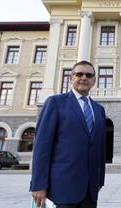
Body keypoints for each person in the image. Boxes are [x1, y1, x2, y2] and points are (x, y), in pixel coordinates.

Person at [30, 60, 106, 208]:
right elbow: (42, 146)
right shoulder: (55, 103)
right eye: (79, 74)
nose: (84, 77)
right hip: (62, 189)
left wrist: (99, 180)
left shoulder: (99, 109)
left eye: (89, 75)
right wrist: (38, 184)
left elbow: (100, 148)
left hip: (90, 191)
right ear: (71, 78)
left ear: (94, 81)